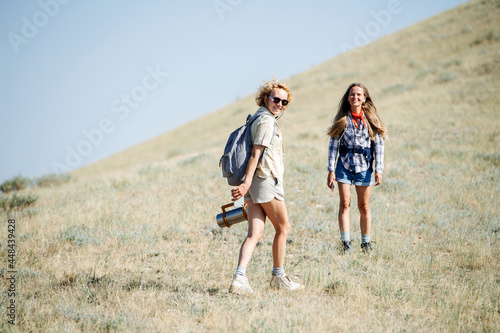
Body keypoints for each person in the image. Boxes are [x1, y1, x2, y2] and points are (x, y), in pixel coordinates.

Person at [229, 79, 304, 295]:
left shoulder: (257, 117)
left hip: (256, 184)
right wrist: (247, 183)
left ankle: (239, 278)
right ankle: (278, 277)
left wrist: (247, 185)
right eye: (275, 99)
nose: (279, 104)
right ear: (265, 99)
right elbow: (255, 152)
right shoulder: (266, 120)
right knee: (284, 227)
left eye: (284, 101)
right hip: (264, 180)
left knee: (255, 233)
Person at [326, 83, 388, 253]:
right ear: (348, 98)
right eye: (352, 94)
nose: (355, 97)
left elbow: (379, 146)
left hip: (364, 167)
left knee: (364, 207)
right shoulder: (342, 119)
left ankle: (366, 244)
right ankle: (345, 243)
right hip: (343, 166)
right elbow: (333, 145)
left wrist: (378, 170)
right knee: (345, 204)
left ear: (364, 98)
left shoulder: (371, 120)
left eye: (359, 95)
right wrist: (331, 169)